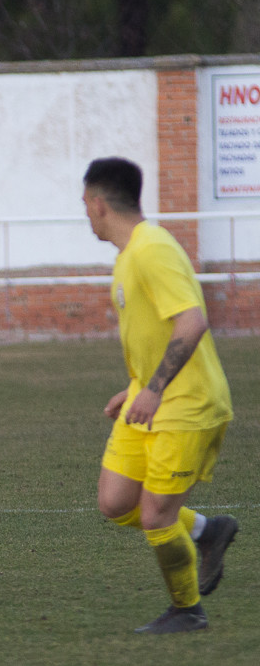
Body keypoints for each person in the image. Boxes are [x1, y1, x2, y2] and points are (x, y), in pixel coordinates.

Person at [82, 157, 237, 634]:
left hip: (187, 407)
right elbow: (155, 334)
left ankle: (187, 610)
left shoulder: (152, 249)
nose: (85, 214)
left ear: (98, 203)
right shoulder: (128, 255)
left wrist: (152, 388)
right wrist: (132, 389)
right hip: (146, 400)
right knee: (115, 502)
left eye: (85, 205)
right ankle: (207, 530)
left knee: (155, 516)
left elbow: (192, 322)